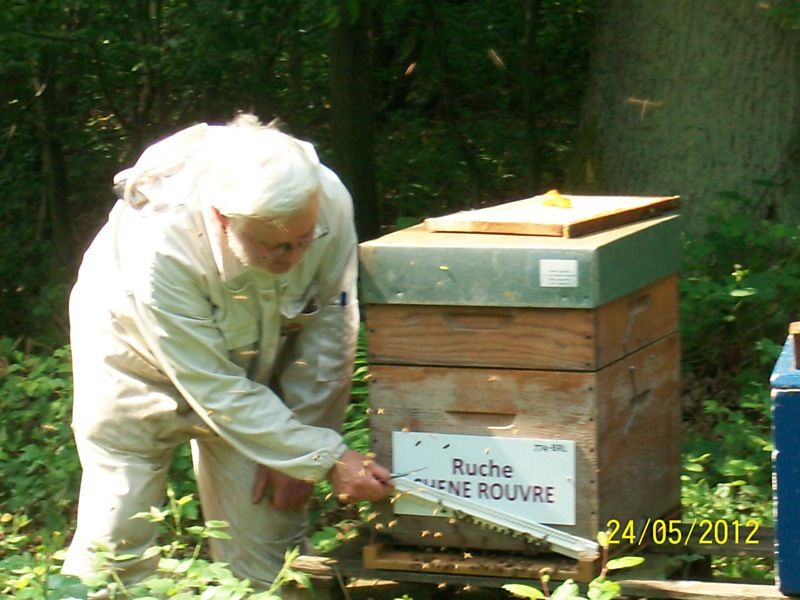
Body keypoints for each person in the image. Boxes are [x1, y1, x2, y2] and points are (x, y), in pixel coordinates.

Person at [62, 114, 392, 589]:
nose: (296, 257)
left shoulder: (330, 200)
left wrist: (308, 442)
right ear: (221, 219)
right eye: (276, 247)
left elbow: (328, 328)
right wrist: (328, 456)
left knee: (275, 556)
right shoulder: (160, 247)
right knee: (116, 541)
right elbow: (214, 388)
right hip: (131, 359)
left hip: (258, 361)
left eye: (304, 240)